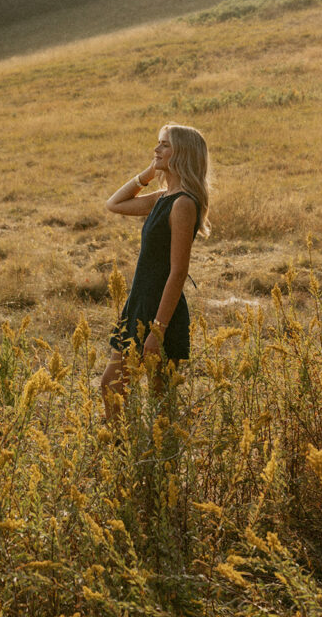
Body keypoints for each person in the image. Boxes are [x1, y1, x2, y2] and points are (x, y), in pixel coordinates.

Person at [100, 123, 210, 420]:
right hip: (139, 304)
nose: (156, 149)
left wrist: (157, 332)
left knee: (161, 402)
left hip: (162, 311)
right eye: (157, 144)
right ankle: (122, 453)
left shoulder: (183, 204)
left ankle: (158, 462)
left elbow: (178, 272)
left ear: (182, 153)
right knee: (112, 386)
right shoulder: (163, 198)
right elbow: (114, 204)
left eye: (164, 145)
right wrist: (149, 174)